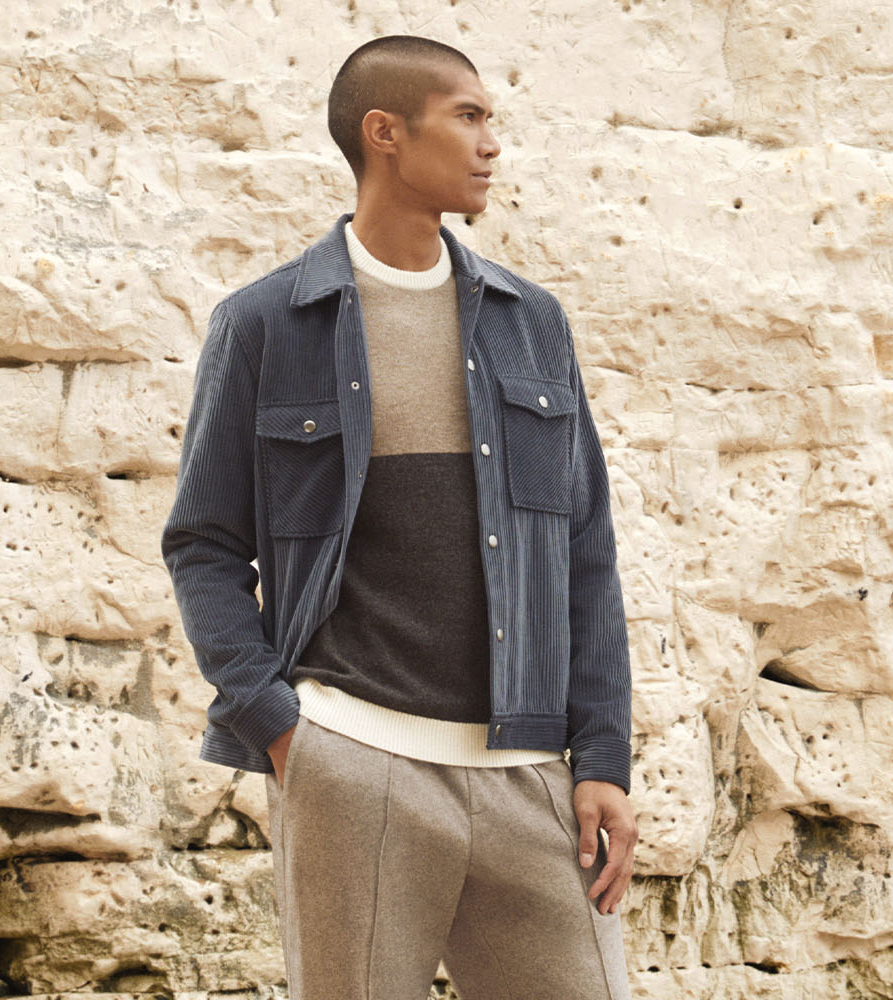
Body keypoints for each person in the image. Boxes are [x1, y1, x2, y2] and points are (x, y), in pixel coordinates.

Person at [161, 34, 635, 999]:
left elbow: (586, 553)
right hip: (354, 765)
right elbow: (204, 546)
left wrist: (606, 756)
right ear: (385, 133)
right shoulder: (265, 323)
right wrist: (282, 729)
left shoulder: (530, 321)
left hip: (531, 773)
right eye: (467, 116)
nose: (491, 142)